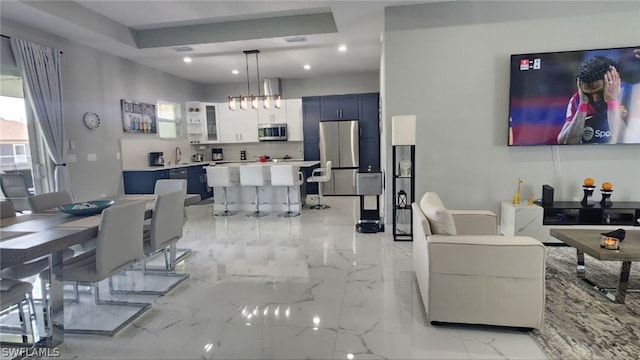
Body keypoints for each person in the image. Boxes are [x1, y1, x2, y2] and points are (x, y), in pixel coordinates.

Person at [557, 55, 629, 144]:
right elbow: (565, 142)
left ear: (614, 78)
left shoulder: (632, 94)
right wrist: (583, 105)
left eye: (599, 92)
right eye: (589, 94)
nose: (595, 99)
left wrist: (611, 101)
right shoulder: (578, 99)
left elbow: (626, 140)